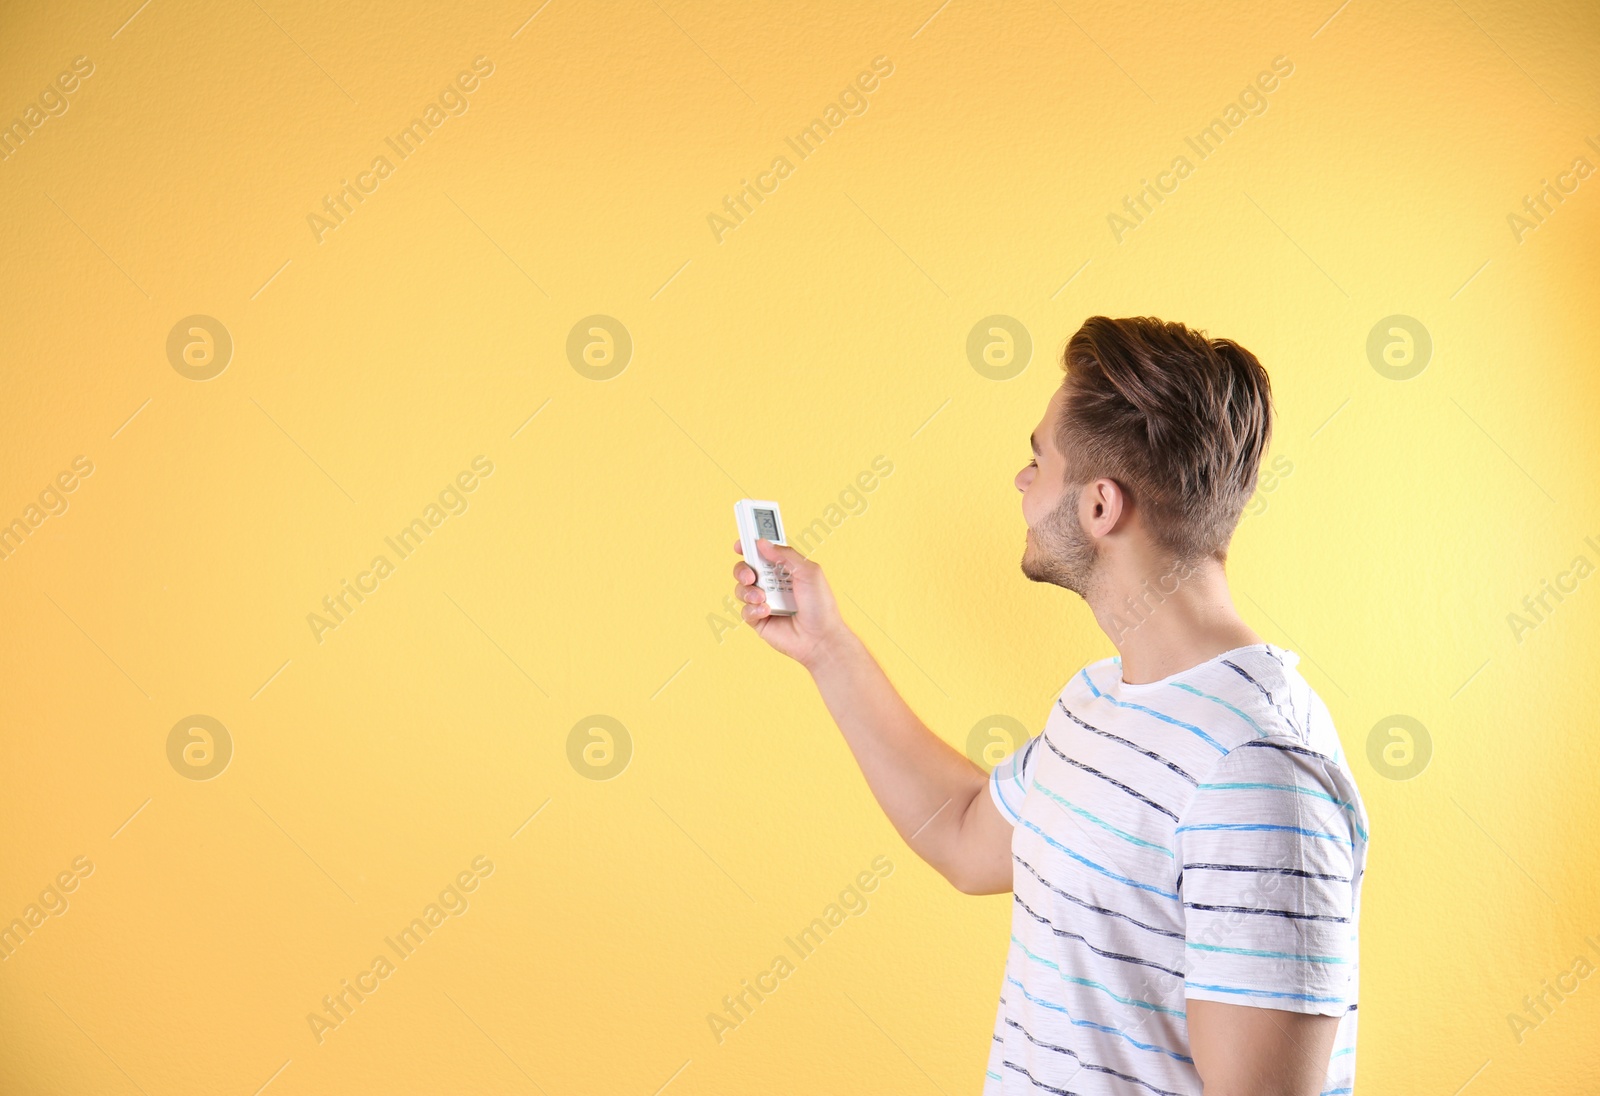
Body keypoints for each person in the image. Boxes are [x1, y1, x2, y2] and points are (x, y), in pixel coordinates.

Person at [729, 315, 1369, 1095]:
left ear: (1101, 507)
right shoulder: (1098, 701)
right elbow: (967, 838)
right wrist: (826, 647)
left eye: (1039, 460)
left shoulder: (1258, 772)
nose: (1021, 483)